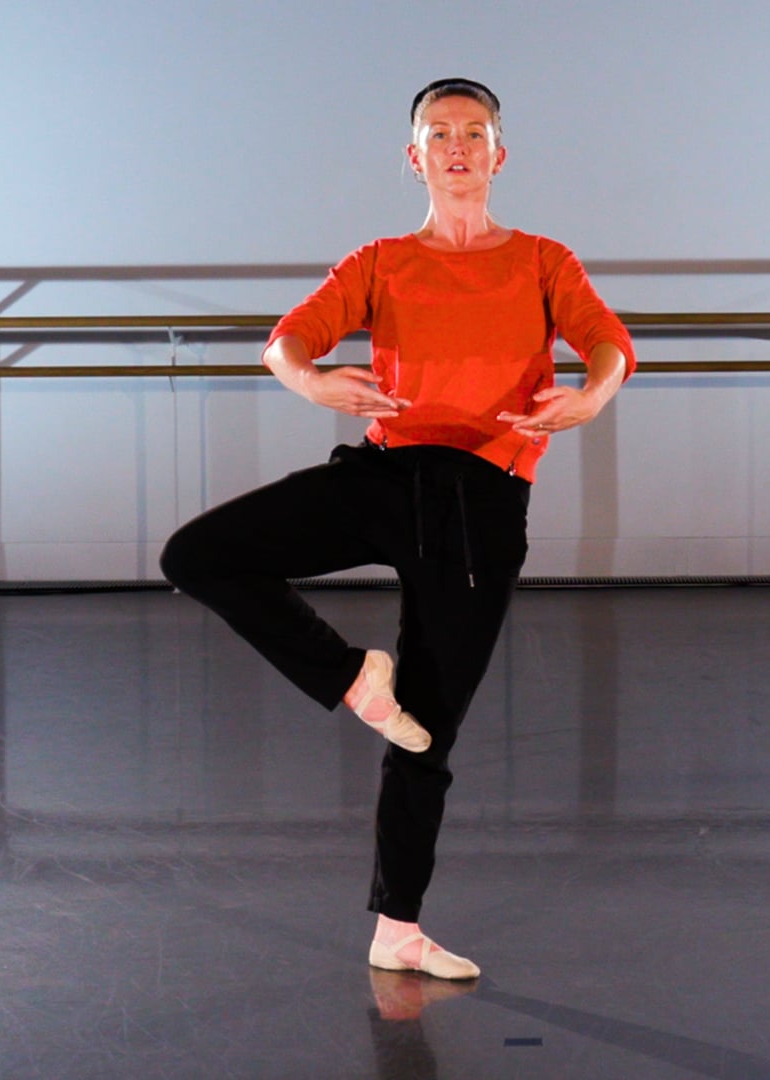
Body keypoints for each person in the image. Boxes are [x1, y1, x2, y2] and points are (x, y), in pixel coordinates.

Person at [159, 77, 635, 981]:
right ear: (414, 156)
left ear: (500, 153)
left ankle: (398, 928)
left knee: (425, 733)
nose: (458, 146)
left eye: (475, 132)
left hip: (484, 503)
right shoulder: (380, 260)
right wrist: (312, 382)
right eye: (439, 134)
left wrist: (593, 394)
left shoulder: (543, 260)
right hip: (389, 473)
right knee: (200, 554)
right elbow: (287, 341)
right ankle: (349, 675)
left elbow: (607, 340)